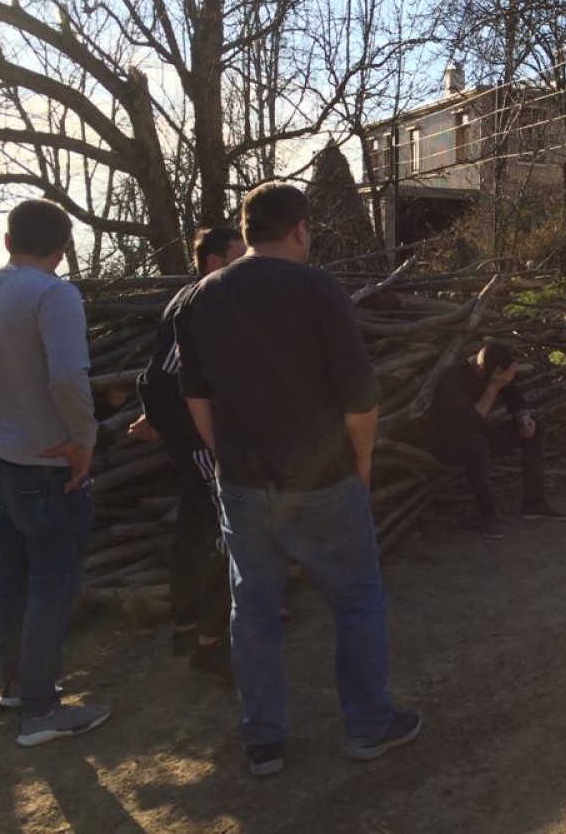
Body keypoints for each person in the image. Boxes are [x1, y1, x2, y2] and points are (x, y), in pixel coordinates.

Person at [174, 182, 419, 777]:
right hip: (322, 482)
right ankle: (368, 726)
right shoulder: (317, 289)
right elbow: (361, 396)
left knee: (252, 610)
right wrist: (362, 461)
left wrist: (228, 456)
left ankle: (263, 741)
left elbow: (196, 399)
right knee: (357, 601)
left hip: (242, 484)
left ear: (246, 229)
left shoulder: (200, 298)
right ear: (300, 229)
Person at [0, 199, 110, 746]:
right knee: (53, 582)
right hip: (49, 462)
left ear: (8, 241)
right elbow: (67, 378)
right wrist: (84, 440)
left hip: (2, 460)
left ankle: (14, 685)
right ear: (62, 248)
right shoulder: (55, 295)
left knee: (11, 574)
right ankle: (40, 710)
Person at [129, 226, 245, 676]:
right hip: (201, 442)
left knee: (194, 527)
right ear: (215, 262)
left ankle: (186, 626)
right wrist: (174, 425)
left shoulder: (198, 299)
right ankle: (211, 643)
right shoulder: (201, 303)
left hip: (195, 437)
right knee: (223, 530)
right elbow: (162, 375)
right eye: (240, 257)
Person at [403, 342, 566, 539]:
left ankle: (534, 503)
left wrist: (524, 419)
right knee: (475, 445)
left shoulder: (498, 372)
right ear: (483, 370)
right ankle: (487, 516)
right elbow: (470, 423)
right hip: (446, 442)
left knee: (536, 430)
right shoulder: (452, 378)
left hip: (479, 433)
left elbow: (516, 402)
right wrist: (494, 386)